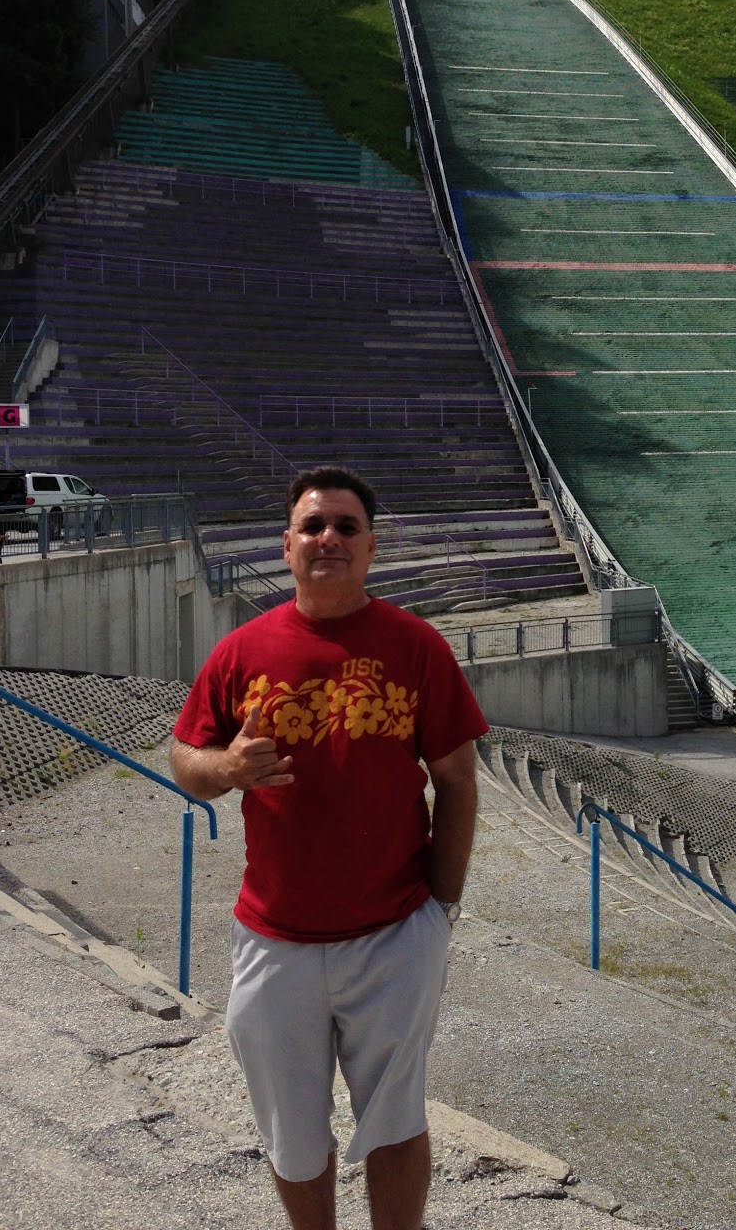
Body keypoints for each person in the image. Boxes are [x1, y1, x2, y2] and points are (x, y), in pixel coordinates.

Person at [171, 465, 487, 1230]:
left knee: (397, 1120)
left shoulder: (416, 648)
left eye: (346, 527)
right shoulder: (241, 652)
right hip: (274, 940)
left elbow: (458, 784)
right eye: (313, 526)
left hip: (393, 934)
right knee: (292, 1136)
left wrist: (441, 910)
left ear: (371, 548)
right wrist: (226, 768)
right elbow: (185, 761)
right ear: (287, 546)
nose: (329, 539)